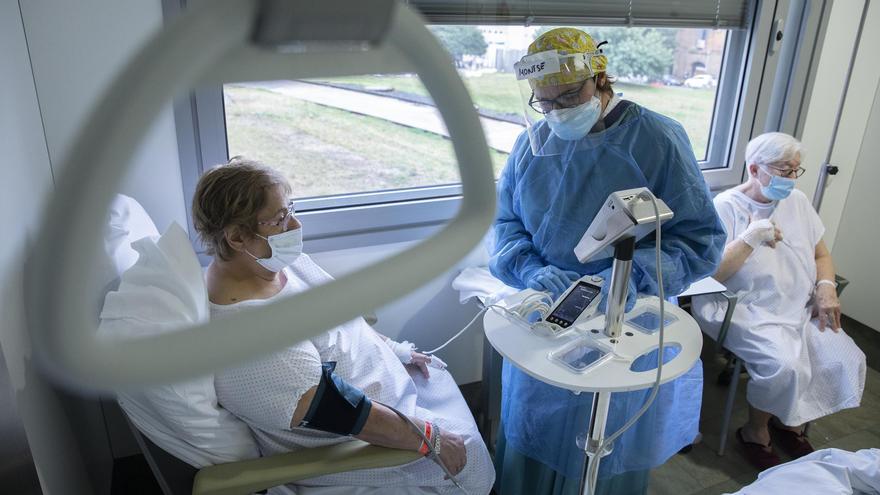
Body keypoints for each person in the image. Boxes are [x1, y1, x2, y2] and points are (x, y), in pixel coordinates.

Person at [489, 27, 726, 494]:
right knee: (531, 444)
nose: (558, 111)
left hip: (624, 319)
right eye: (546, 101)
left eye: (569, 95)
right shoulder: (532, 144)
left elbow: (700, 241)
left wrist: (624, 278)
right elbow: (505, 225)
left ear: (599, 78)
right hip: (548, 313)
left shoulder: (657, 140)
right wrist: (531, 269)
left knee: (603, 451)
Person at [191, 157, 494, 494]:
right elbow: (350, 414)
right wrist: (431, 439)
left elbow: (337, 322)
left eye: (290, 209)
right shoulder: (253, 344)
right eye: (279, 219)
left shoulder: (272, 266)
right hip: (367, 453)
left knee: (446, 391)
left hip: (389, 392)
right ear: (236, 237)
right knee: (469, 454)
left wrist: (395, 351)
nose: (294, 226)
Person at [694, 132, 865, 470]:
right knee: (785, 367)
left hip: (800, 304)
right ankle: (755, 432)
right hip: (746, 307)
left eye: (795, 170)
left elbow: (821, 253)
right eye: (784, 170)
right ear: (755, 169)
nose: (791, 179)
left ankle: (788, 421)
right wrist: (751, 236)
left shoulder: (797, 201)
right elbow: (713, 275)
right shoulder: (725, 206)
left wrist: (826, 286)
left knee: (843, 359)